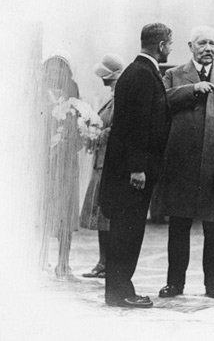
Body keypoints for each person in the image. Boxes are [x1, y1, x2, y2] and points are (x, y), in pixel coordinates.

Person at [156, 25, 214, 299]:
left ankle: (213, 283)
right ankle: (175, 283)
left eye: (212, 43)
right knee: (179, 227)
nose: (208, 48)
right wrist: (192, 89)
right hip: (181, 165)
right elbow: (161, 103)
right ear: (190, 46)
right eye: (202, 43)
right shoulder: (173, 75)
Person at [99, 23, 172, 308]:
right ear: (162, 45)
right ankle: (121, 292)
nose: (170, 48)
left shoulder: (136, 71)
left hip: (128, 169)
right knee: (127, 231)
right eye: (171, 43)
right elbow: (137, 125)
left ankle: (118, 290)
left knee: (125, 230)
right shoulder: (143, 74)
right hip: (133, 173)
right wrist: (138, 167)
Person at [39, 51, 84, 279]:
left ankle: (63, 262)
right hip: (45, 163)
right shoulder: (39, 95)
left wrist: (71, 139)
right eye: (52, 69)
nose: (56, 73)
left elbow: (81, 125)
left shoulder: (73, 94)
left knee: (66, 214)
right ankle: (40, 259)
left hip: (67, 163)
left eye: (61, 69)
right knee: (44, 212)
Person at [80, 53, 124, 279]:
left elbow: (116, 128)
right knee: (100, 215)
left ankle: (107, 263)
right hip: (101, 161)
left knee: (106, 215)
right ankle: (103, 261)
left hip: (109, 163)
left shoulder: (121, 97)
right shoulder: (112, 96)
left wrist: (97, 135)